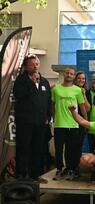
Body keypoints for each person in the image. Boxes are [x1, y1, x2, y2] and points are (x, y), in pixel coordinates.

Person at [13, 54, 52, 183]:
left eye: (36, 64)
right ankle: (22, 175)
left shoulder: (44, 81)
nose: (35, 66)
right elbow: (19, 95)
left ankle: (36, 175)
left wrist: (48, 116)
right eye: (32, 64)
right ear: (26, 66)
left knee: (38, 148)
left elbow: (48, 101)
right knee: (24, 148)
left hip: (41, 122)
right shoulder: (21, 80)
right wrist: (32, 83)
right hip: (25, 122)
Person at [51, 67, 87, 180]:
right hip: (59, 125)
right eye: (67, 73)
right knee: (58, 149)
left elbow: (83, 108)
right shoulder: (55, 89)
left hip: (73, 125)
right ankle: (59, 169)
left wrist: (85, 123)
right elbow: (52, 106)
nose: (69, 75)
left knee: (71, 149)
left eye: (71, 74)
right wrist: (53, 119)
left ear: (73, 76)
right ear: (64, 74)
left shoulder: (77, 90)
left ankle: (71, 169)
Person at [74, 71, 90, 159]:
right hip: (71, 121)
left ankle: (77, 165)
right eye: (79, 78)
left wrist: (83, 95)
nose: (81, 80)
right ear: (75, 79)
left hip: (81, 121)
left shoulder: (87, 91)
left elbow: (87, 109)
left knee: (79, 144)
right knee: (71, 145)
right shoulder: (71, 90)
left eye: (83, 78)